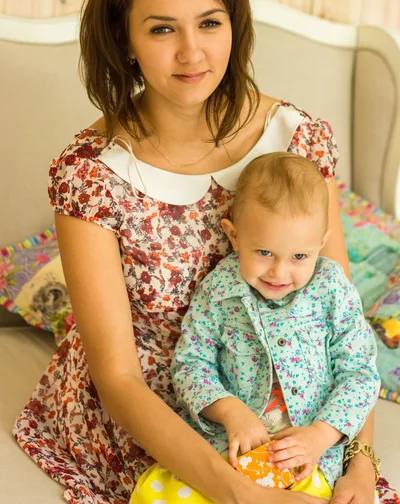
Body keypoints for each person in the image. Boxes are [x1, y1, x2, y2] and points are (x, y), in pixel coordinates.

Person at [12, 0, 386, 504]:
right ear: (124, 39)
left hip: (293, 419)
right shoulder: (90, 174)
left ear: (233, 25)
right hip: (156, 420)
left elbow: (341, 323)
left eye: (210, 23)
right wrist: (237, 493)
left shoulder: (299, 140)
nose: (192, 52)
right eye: (162, 29)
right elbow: (119, 379)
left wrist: (359, 462)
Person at [131, 152, 380, 502]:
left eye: (299, 257)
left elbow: (360, 373)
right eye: (263, 252)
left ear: (320, 245)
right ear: (233, 236)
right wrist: (230, 409)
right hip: (228, 449)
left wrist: (320, 436)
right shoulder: (219, 291)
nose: (279, 272)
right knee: (156, 494)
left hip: (308, 456)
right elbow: (191, 363)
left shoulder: (332, 290)